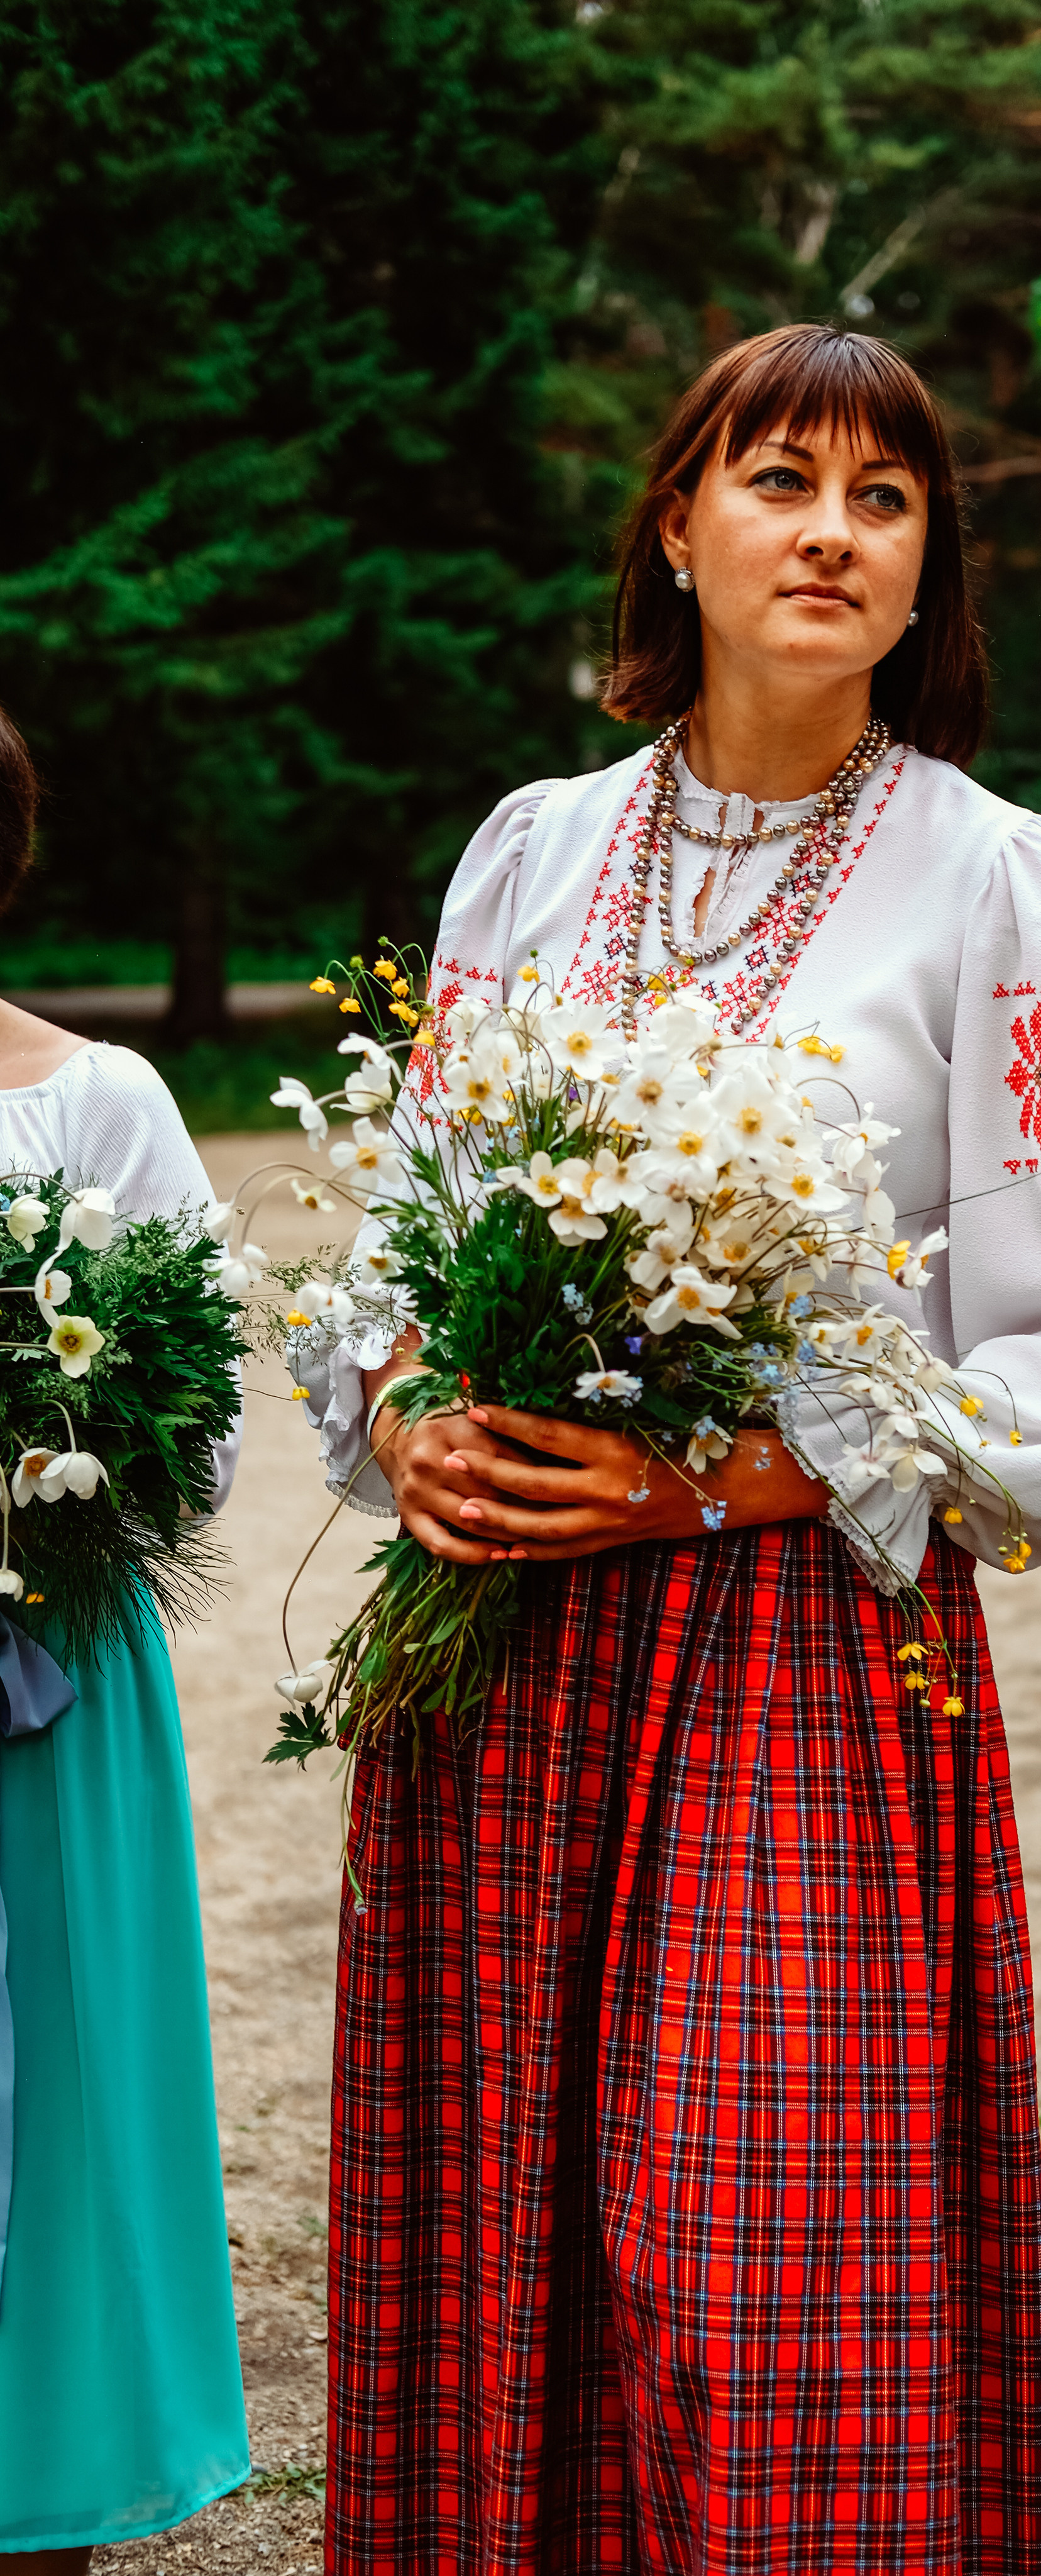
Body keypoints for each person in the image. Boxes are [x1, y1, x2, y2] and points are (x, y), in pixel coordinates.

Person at [309, 324, 1041, 2575]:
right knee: (496, 2211)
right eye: (779, 480)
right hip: (501, 1647)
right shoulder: (532, 853)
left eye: (883, 500)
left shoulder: (1007, 890)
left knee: (760, 2248)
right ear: (683, 528)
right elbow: (415, 1211)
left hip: (797, 1652)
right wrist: (410, 1408)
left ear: (926, 579)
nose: (828, 531)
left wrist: (719, 1480)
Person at [0, 706, 249, 2567]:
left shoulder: (98, 1109)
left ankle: (40, 2499)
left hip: (45, 1693)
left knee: (59, 2132)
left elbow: (201, 1439)